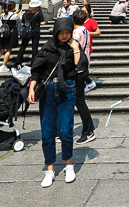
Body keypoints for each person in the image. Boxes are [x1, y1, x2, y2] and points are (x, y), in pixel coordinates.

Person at [27, 17, 81, 187]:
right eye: (61, 32)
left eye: (68, 32)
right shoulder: (48, 48)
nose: (65, 36)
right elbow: (37, 69)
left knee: (66, 129)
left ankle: (68, 164)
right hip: (48, 89)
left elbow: (81, 68)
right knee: (48, 130)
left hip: (68, 89)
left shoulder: (74, 47)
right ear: (56, 32)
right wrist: (31, 88)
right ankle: (50, 169)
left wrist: (76, 48)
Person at [71, 11, 96, 144]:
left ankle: (88, 130)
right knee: (78, 101)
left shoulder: (75, 33)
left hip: (77, 68)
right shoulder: (85, 29)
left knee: (79, 101)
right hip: (84, 64)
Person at [0, 2, 20, 73]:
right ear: (13, 8)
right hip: (11, 34)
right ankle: (3, 66)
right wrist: (18, 14)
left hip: (4, 33)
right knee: (8, 50)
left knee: (1, 50)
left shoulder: (2, 15)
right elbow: (19, 21)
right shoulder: (15, 16)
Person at [16, 0, 45, 69]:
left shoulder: (25, 13)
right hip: (35, 32)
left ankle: (18, 63)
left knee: (23, 47)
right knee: (34, 48)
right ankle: (33, 63)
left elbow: (22, 23)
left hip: (26, 32)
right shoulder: (39, 13)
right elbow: (43, 23)